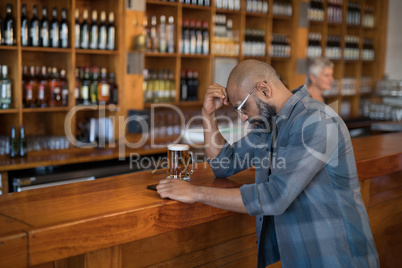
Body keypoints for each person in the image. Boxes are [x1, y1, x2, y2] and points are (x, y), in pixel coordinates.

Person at [157, 60, 378, 267]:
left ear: (264, 90)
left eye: (243, 107)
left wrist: (196, 193)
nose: (243, 117)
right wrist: (207, 114)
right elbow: (223, 164)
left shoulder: (317, 120)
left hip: (338, 256)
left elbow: (276, 196)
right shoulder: (268, 125)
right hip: (302, 255)